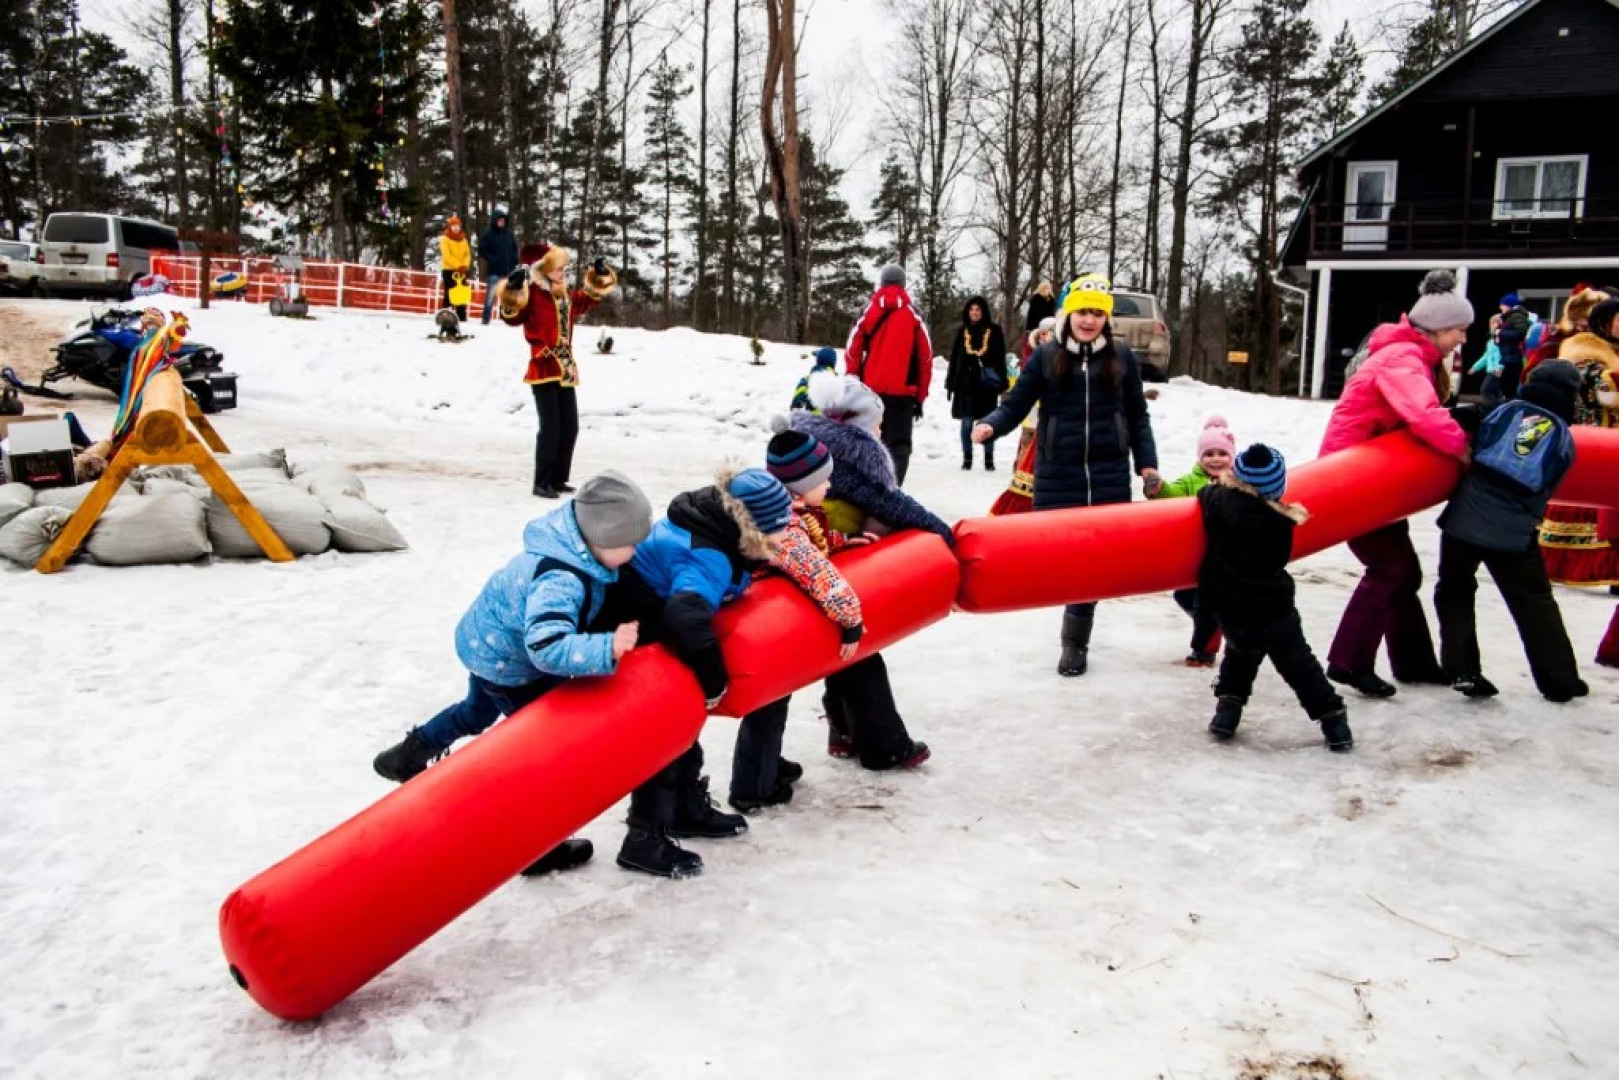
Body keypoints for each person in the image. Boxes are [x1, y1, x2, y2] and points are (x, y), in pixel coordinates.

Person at [371, 472, 654, 878]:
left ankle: (406, 755)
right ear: (603, 539)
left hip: (487, 646)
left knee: (475, 712)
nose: (636, 551)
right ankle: (534, 849)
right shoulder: (562, 580)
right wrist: (604, 648)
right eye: (631, 544)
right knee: (540, 755)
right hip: (510, 666)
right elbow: (546, 647)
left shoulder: (568, 548)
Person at [600, 468, 796, 877]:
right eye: (780, 528)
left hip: (646, 627)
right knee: (664, 733)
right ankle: (644, 838)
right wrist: (715, 682)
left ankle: (684, 808)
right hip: (630, 637)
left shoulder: (714, 522)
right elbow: (684, 616)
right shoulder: (709, 556)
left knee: (680, 730)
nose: (787, 535)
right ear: (755, 528)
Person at [973, 273, 1162, 677]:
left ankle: (1074, 643)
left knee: (1092, 565)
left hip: (1109, 474)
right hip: (1059, 473)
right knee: (1063, 560)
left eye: (1097, 313)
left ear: (1106, 319)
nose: (1089, 320)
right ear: (1068, 315)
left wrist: (1147, 465)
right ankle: (1073, 625)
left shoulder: (1122, 357)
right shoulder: (1046, 356)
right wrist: (991, 424)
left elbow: (1137, 416)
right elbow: (1016, 403)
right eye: (1082, 312)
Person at [1319, 269, 1471, 698]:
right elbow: (1423, 414)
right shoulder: (1402, 359)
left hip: (1378, 479)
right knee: (1390, 568)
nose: (1462, 339)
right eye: (1458, 330)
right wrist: (1462, 448)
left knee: (1404, 571)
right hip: (1355, 478)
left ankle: (1414, 663)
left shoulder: (1409, 356)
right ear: (1438, 328)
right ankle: (1349, 661)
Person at [790, 376, 943, 767]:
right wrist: (948, 537)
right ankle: (883, 745)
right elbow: (895, 505)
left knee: (843, 647)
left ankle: (844, 730)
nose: (880, 432)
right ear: (855, 426)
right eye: (876, 425)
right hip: (826, 558)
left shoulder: (816, 447)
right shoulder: (848, 459)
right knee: (860, 647)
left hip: (823, 555)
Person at [730, 428, 867, 812]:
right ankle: (754, 787)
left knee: (773, 700)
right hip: (764, 624)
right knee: (769, 704)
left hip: (762, 619)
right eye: (823, 480)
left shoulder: (779, 510)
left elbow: (811, 543)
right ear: (801, 485)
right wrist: (851, 622)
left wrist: (839, 541)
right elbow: (818, 574)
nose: (829, 485)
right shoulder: (783, 528)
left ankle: (766, 765)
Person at [1435, 362, 1588, 702]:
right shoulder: (1563, 436)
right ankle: (1560, 681)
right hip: (1513, 535)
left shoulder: (1502, 410)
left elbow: (1458, 428)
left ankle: (1462, 669)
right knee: (1534, 602)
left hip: (1463, 521)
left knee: (1455, 591)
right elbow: (1547, 487)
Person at [1198, 444, 1353, 750]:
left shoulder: (1216, 504)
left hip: (1231, 607)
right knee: (1299, 666)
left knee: (1240, 656)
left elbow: (1206, 494)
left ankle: (1228, 710)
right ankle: (1332, 717)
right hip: (1273, 609)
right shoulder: (1279, 523)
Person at [497, 243, 619, 499]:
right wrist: (512, 288)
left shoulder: (564, 296)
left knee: (569, 427)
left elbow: (588, 299)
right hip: (543, 368)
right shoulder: (531, 294)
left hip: (565, 370)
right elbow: (511, 316)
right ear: (544, 269)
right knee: (550, 429)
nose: (563, 272)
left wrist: (599, 276)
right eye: (558, 268)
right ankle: (542, 482)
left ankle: (559, 479)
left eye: (564, 268)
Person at [1536, 298, 1619, 592]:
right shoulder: (1584, 351)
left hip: (1613, 442)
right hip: (1593, 441)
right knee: (1591, 506)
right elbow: (1605, 393)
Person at [1150, 416, 1235, 666]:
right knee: (1184, 596)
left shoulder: (1237, 482)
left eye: (1222, 453)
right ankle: (1214, 625)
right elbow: (1172, 495)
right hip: (1196, 554)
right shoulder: (1190, 481)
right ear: (1200, 457)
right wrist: (1159, 489)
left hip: (1225, 556)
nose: (1216, 459)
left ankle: (1204, 650)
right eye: (1209, 454)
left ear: (1232, 456)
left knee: (1211, 602)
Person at [843, 265, 933, 486]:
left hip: (870, 391)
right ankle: (892, 490)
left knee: (869, 440)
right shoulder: (915, 314)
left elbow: (852, 351)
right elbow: (925, 359)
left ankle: (868, 488)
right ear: (903, 284)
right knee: (899, 446)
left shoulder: (866, 311)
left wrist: (853, 383)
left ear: (881, 283)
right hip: (903, 393)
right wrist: (920, 396)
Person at [945, 296, 1008, 472]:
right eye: (972, 309)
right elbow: (955, 358)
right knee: (966, 423)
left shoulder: (994, 330)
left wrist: (1002, 380)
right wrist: (951, 382)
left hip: (986, 384)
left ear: (983, 311)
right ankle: (967, 457)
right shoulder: (963, 331)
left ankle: (988, 458)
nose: (974, 313)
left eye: (978, 309)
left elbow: (1000, 358)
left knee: (987, 423)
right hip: (965, 384)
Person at [477, 207, 520, 325]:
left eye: (503, 220)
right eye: (500, 220)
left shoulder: (509, 235)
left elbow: (514, 248)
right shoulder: (488, 235)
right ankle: (486, 319)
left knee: (508, 297)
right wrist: (492, 260)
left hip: (508, 271)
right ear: (495, 221)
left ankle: (509, 319)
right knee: (490, 297)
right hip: (494, 272)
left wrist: (515, 260)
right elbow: (482, 250)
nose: (502, 222)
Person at [1491, 291, 1533, 401]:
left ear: (1509, 305)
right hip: (1509, 357)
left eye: (1502, 305)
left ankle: (1512, 405)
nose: (1500, 307)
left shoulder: (1517, 316)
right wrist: (1497, 336)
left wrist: (1500, 333)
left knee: (1508, 385)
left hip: (1514, 357)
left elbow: (1520, 333)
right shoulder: (1509, 317)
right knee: (1505, 384)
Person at [439, 215, 473, 322]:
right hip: (448, 270)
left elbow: (467, 255)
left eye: (458, 226)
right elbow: (446, 255)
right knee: (449, 292)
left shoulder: (463, 240)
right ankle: (446, 314)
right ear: (450, 227)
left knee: (461, 292)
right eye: (454, 226)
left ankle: (461, 315)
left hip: (461, 271)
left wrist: (464, 266)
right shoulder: (445, 239)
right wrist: (458, 266)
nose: (456, 228)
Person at [791, 346, 839, 411]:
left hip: (804, 415)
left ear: (817, 361)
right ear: (834, 363)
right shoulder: (838, 380)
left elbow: (795, 404)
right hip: (827, 416)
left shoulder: (806, 379)